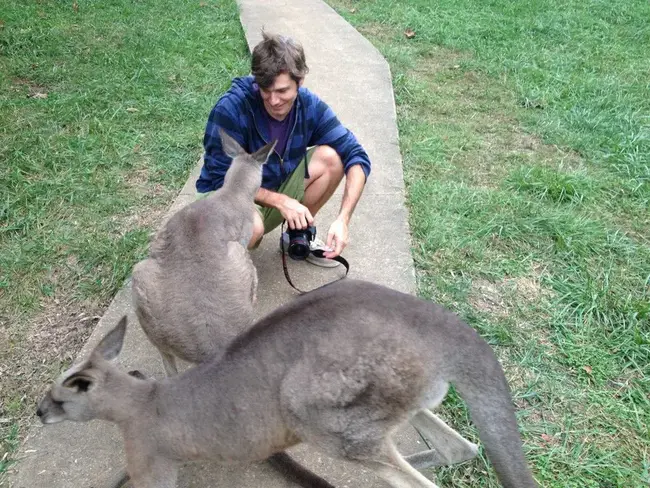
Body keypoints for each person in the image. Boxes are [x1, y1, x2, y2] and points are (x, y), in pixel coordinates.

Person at [195, 31, 371, 267]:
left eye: (282, 91)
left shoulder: (309, 106)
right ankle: (214, 269)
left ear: (300, 82)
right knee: (251, 227)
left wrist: (343, 219)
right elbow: (219, 180)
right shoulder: (231, 108)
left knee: (333, 158)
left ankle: (296, 235)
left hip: (272, 186)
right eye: (265, 90)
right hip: (226, 197)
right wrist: (281, 201)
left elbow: (356, 155)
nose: (273, 100)